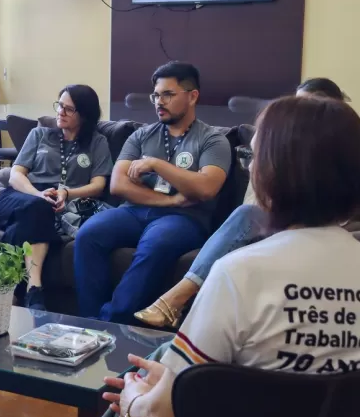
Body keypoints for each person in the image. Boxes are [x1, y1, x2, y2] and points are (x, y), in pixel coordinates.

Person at [39, 95, 360, 417]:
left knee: (142, 386)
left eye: (254, 156)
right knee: (168, 359)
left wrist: (132, 399)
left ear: (277, 172)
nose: (250, 168)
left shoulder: (240, 272)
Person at [135, 77, 349, 327]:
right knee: (247, 217)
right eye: (296, 106)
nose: (298, 116)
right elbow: (255, 200)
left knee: (245, 219)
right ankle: (180, 309)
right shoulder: (278, 147)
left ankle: (177, 300)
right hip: (274, 224)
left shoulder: (345, 151)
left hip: (325, 230)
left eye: (309, 107)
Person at [74, 62, 231, 323]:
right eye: (156, 95)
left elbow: (206, 187)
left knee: (157, 243)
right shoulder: (141, 136)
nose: (159, 102)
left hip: (186, 219)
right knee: (88, 233)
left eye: (168, 95)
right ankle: (88, 323)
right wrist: (171, 200)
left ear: (192, 96)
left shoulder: (212, 140)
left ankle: (112, 321)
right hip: (134, 211)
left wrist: (157, 164)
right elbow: (118, 184)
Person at [0, 85, 112, 306]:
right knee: (39, 207)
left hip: (57, 200)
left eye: (69, 109)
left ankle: (19, 291)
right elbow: (15, 175)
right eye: (59, 105)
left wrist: (67, 193)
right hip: (21, 194)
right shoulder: (39, 134)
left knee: (31, 219)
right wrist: (37, 194)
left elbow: (98, 185)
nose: (60, 112)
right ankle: (33, 286)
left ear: (85, 115)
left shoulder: (97, 142)